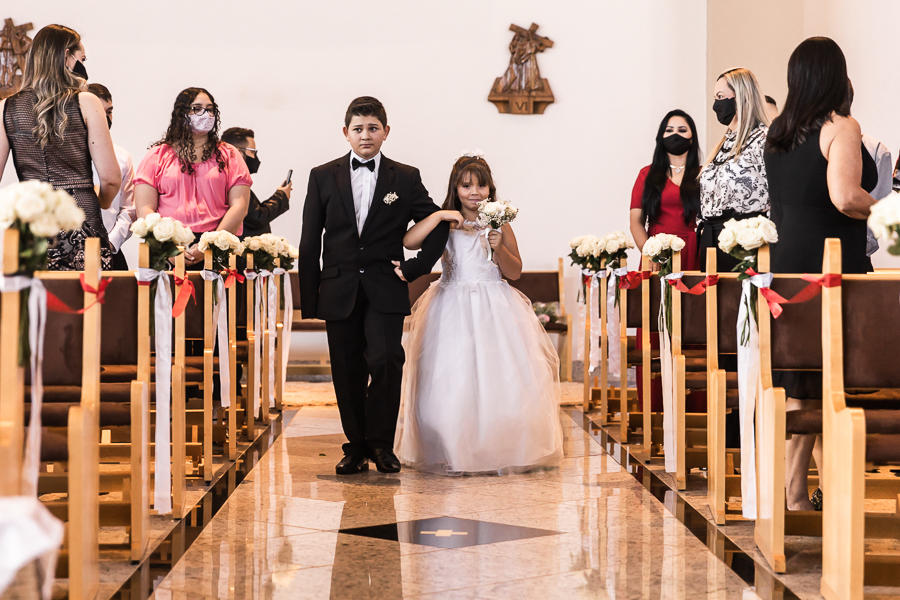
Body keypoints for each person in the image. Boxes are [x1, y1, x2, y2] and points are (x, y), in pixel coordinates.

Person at [298, 96, 449, 475]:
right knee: (346, 369)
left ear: (385, 131)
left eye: (373, 128)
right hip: (338, 287)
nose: (365, 135)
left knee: (386, 361)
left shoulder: (405, 176)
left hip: (385, 287)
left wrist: (416, 268)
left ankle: (381, 444)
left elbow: (436, 222)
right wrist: (310, 299)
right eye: (358, 128)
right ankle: (355, 446)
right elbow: (308, 239)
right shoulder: (322, 175)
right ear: (346, 133)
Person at [394, 154, 563, 474]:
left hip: (493, 306)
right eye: (466, 185)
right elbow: (409, 240)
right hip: (451, 305)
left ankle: (497, 446)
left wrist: (499, 247)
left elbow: (514, 272)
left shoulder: (499, 223)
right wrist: (440, 215)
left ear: (490, 188)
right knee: (450, 379)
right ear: (455, 189)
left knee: (498, 379)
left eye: (481, 184)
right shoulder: (446, 224)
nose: (474, 191)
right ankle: (452, 447)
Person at [765, 37, 877, 510]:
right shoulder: (842, 126)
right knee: (836, 381)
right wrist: (889, 212)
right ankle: (832, 491)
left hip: (788, 264)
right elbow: (846, 197)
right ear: (836, 75)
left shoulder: (779, 134)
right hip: (831, 263)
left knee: (803, 381)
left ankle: (794, 492)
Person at [0, 24, 120, 270]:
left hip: (33, 223)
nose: (84, 65)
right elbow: (110, 179)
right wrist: (102, 202)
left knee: (33, 305)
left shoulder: (6, 107)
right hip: (82, 222)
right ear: (66, 56)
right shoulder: (86, 101)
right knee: (90, 305)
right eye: (82, 58)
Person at [134, 87, 251, 267]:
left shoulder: (230, 154)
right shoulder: (157, 155)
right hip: (167, 246)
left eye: (210, 109)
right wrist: (168, 249)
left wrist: (209, 246)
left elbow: (240, 206)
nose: (205, 114)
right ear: (182, 114)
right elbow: (145, 209)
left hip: (218, 245)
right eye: (197, 108)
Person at [698, 68, 771, 272]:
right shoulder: (724, 142)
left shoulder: (764, 139)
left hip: (745, 241)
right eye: (715, 98)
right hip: (713, 240)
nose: (716, 105)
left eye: (720, 97)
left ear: (740, 96)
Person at [629, 109, 702, 270]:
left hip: (693, 251)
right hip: (656, 254)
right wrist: (650, 253)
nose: (675, 135)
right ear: (661, 137)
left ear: (692, 138)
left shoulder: (704, 175)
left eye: (682, 130)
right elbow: (636, 222)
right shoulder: (646, 175)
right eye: (669, 130)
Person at [88, 83, 134, 270]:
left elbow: (129, 209)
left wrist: (112, 242)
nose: (105, 118)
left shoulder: (122, 156)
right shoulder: (65, 154)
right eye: (99, 112)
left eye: (109, 111)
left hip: (110, 250)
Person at [220, 127, 291, 238]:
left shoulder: (226, 177)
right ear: (238, 152)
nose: (255, 158)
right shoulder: (230, 181)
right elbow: (257, 217)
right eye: (253, 152)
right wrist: (281, 197)